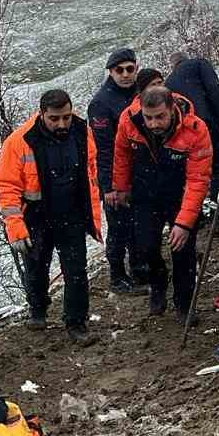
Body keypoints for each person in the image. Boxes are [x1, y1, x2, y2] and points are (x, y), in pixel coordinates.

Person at [0, 89, 102, 346]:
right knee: (36, 268)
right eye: (55, 119)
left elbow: (91, 166)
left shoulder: (81, 130)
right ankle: (38, 309)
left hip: (72, 213)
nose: (61, 124)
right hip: (36, 216)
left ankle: (76, 322)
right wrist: (15, 227)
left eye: (66, 117)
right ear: (42, 113)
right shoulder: (19, 141)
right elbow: (7, 186)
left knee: (76, 271)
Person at [112, 86, 212, 325]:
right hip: (145, 194)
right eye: (149, 118)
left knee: (182, 251)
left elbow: (198, 180)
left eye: (160, 117)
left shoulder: (195, 129)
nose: (154, 123)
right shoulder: (129, 120)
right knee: (144, 248)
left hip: (180, 195)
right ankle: (158, 282)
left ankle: (184, 303)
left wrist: (184, 223)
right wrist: (121, 186)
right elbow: (121, 153)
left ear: (172, 109)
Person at [87, 47, 146, 294]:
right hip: (114, 175)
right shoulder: (101, 103)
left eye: (129, 69)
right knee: (119, 229)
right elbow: (103, 149)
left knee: (139, 226)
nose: (125, 74)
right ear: (110, 72)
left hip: (140, 173)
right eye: (119, 70)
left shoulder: (140, 94)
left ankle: (139, 271)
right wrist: (109, 186)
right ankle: (117, 276)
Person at [165, 51, 219, 194]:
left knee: (201, 166)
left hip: (189, 131)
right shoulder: (199, 64)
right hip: (206, 121)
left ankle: (204, 200)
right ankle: (218, 198)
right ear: (186, 59)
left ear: (173, 66)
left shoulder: (168, 82)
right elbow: (213, 87)